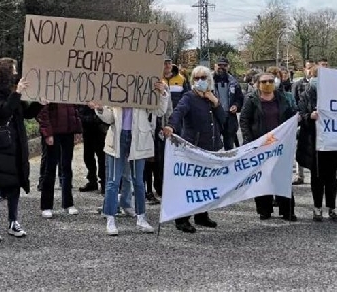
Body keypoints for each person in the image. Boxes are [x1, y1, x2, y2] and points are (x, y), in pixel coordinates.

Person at [91, 80, 169, 235]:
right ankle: (111, 218)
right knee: (113, 181)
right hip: (117, 139)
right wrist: (99, 108)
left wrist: (163, 94)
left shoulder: (144, 87)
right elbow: (109, 118)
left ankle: (141, 218)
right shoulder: (113, 87)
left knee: (138, 181)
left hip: (138, 139)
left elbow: (159, 111)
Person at [0, 58, 45, 242]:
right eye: (13, 70)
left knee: (14, 184)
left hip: (16, 143)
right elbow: (3, 111)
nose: (16, 73)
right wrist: (17, 93)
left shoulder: (13, 92)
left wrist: (40, 103)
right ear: (5, 72)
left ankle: (13, 221)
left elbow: (25, 113)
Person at [164, 66, 226, 233]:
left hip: (211, 147)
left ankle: (201, 215)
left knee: (206, 184)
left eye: (204, 77)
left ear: (209, 80)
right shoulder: (189, 97)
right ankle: (182, 219)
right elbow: (178, 112)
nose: (200, 81)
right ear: (192, 81)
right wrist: (171, 126)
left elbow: (223, 119)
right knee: (190, 185)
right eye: (197, 78)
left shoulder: (213, 97)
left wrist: (215, 102)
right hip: (193, 147)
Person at [297, 65, 337, 222]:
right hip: (313, 143)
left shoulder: (336, 94)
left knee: (331, 178)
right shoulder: (306, 94)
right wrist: (309, 116)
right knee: (317, 177)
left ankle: (332, 208)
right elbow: (299, 113)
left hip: (332, 142)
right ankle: (317, 208)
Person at [240, 72, 297, 221]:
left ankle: (287, 210)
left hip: (279, 145)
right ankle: (264, 210)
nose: (268, 84)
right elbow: (244, 121)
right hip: (260, 145)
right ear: (258, 84)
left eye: (271, 81)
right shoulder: (251, 100)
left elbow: (292, 116)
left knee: (282, 177)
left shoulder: (282, 98)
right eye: (264, 81)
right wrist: (249, 142)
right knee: (261, 178)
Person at [37, 102, 82, 218]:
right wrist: (47, 133)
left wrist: (77, 129)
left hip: (68, 132)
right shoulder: (50, 88)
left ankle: (68, 204)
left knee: (67, 168)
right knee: (50, 168)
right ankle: (46, 206)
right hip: (54, 132)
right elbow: (43, 111)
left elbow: (74, 109)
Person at [213, 57, 244, 150]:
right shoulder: (208, 80)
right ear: (215, 66)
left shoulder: (234, 81)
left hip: (229, 117)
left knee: (229, 144)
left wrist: (236, 106)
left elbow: (240, 99)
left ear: (228, 67)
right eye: (219, 65)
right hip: (214, 116)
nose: (222, 67)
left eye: (224, 65)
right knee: (213, 145)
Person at [77, 104, 107, 194]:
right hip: (87, 129)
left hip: (99, 130)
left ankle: (103, 182)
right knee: (88, 157)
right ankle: (92, 180)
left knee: (102, 157)